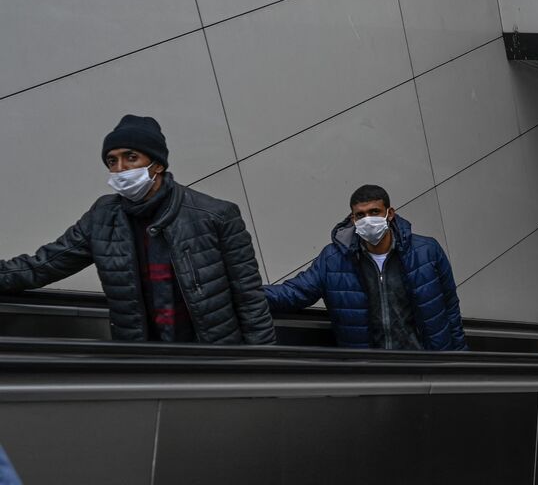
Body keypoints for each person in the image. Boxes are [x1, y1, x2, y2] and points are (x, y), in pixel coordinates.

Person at [0, 115, 275, 344]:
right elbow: (44, 264)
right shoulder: (103, 217)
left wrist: (264, 366)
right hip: (142, 362)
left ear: (158, 164)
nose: (120, 169)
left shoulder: (214, 215)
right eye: (112, 161)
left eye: (130, 157)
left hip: (212, 360)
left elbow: (249, 298)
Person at [263, 184, 466, 350]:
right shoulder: (333, 259)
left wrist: (459, 359)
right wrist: (243, 293)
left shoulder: (426, 252)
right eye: (360, 215)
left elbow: (450, 308)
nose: (367, 219)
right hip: (371, 369)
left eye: (374, 212)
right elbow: (295, 292)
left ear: (390, 213)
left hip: (424, 364)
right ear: (353, 219)